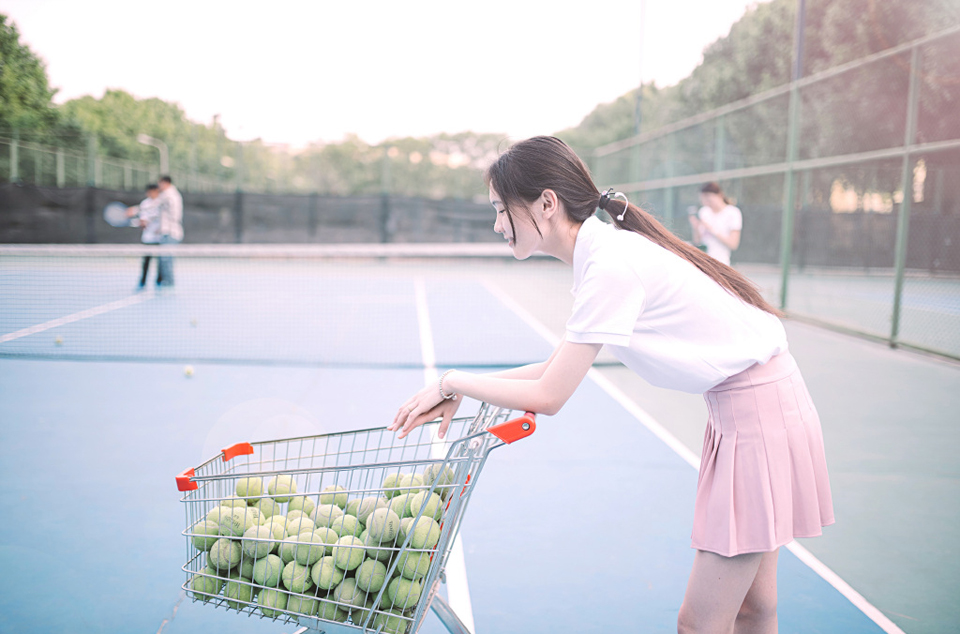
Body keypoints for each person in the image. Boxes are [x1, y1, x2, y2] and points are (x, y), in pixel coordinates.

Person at [388, 137, 834, 634]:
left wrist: (452, 380)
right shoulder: (602, 254)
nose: (496, 224)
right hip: (760, 411)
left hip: (759, 421)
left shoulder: (609, 265)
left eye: (501, 209)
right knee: (754, 610)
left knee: (699, 623)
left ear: (546, 203)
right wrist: (460, 387)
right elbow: (554, 366)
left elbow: (549, 396)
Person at [688, 182, 742, 266]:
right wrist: (695, 228)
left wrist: (712, 230)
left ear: (719, 195)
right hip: (703, 262)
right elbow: (697, 241)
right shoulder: (704, 211)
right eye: (703, 201)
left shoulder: (733, 213)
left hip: (721, 263)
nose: (706, 203)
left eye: (709, 200)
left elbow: (733, 244)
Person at [126, 183, 163, 289]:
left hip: (160, 238)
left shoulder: (162, 202)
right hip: (148, 238)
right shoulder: (145, 203)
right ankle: (143, 281)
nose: (150, 193)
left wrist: (160, 228)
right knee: (146, 261)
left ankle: (159, 281)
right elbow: (143, 220)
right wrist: (142, 223)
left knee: (161, 261)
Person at [156, 175, 184, 287]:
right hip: (167, 232)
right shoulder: (169, 195)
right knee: (164, 259)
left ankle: (168, 284)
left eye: (160, 183)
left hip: (171, 233)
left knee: (166, 259)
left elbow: (153, 205)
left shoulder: (169, 195)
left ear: (165, 183)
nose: (159, 186)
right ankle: (165, 282)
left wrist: (134, 210)